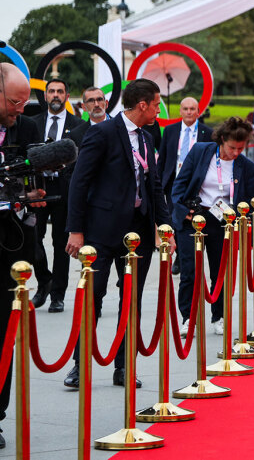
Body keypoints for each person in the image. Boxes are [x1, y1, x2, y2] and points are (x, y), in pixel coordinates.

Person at [63, 78, 175, 389]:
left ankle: (124, 366)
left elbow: (153, 187)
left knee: (132, 300)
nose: (157, 111)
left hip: (138, 232)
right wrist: (76, 230)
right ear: (142, 105)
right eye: (155, 105)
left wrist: (165, 227)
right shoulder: (102, 133)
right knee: (92, 298)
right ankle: (79, 364)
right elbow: (79, 183)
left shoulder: (149, 136)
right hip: (100, 233)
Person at [171, 117, 254, 336]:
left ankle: (218, 315)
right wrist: (183, 211)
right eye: (232, 147)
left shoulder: (246, 166)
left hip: (224, 221)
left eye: (241, 148)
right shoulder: (201, 151)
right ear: (222, 139)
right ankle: (188, 317)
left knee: (220, 271)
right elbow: (179, 184)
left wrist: (242, 219)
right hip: (195, 217)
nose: (236, 152)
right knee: (189, 271)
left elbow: (249, 199)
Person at [0, 63, 44, 449]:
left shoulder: (28, 129)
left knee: (4, 335)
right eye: (15, 102)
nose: (20, 108)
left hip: (11, 248)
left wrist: (31, 196)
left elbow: (37, 180)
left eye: (25, 102)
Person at [30, 78, 84, 313]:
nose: (55, 95)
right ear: (45, 96)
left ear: (67, 96)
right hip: (38, 189)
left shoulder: (78, 125)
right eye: (51, 91)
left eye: (60, 91)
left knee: (62, 243)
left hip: (64, 190)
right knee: (33, 237)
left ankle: (57, 295)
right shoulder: (33, 123)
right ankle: (44, 280)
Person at [157, 97, 213, 204]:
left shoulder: (207, 133)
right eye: (185, 109)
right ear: (180, 111)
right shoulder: (170, 130)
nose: (189, 112)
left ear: (198, 111)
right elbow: (162, 159)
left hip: (196, 183)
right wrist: (159, 184)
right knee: (172, 216)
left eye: (192, 109)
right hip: (173, 181)